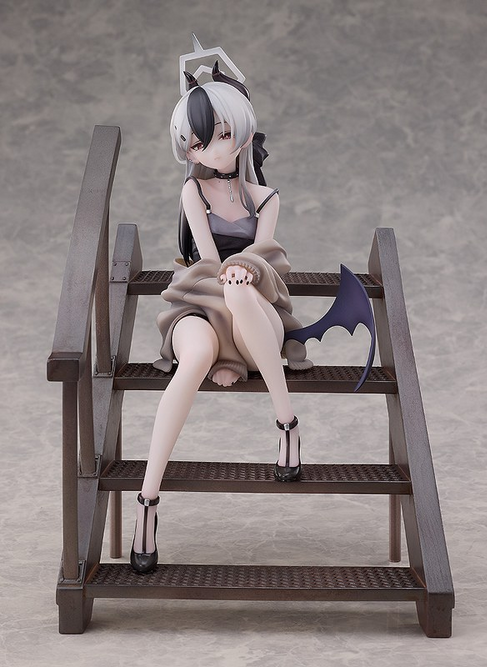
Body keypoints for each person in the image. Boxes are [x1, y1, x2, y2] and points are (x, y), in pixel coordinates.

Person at [130, 63, 313, 574]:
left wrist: (244, 271)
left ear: (244, 132)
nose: (211, 148)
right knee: (193, 357)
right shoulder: (193, 192)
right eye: (198, 142)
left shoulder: (265, 198)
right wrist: (229, 274)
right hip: (201, 301)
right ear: (189, 151)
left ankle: (287, 424)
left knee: (241, 290)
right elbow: (207, 261)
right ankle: (147, 502)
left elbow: (265, 257)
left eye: (223, 133)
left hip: (255, 312)